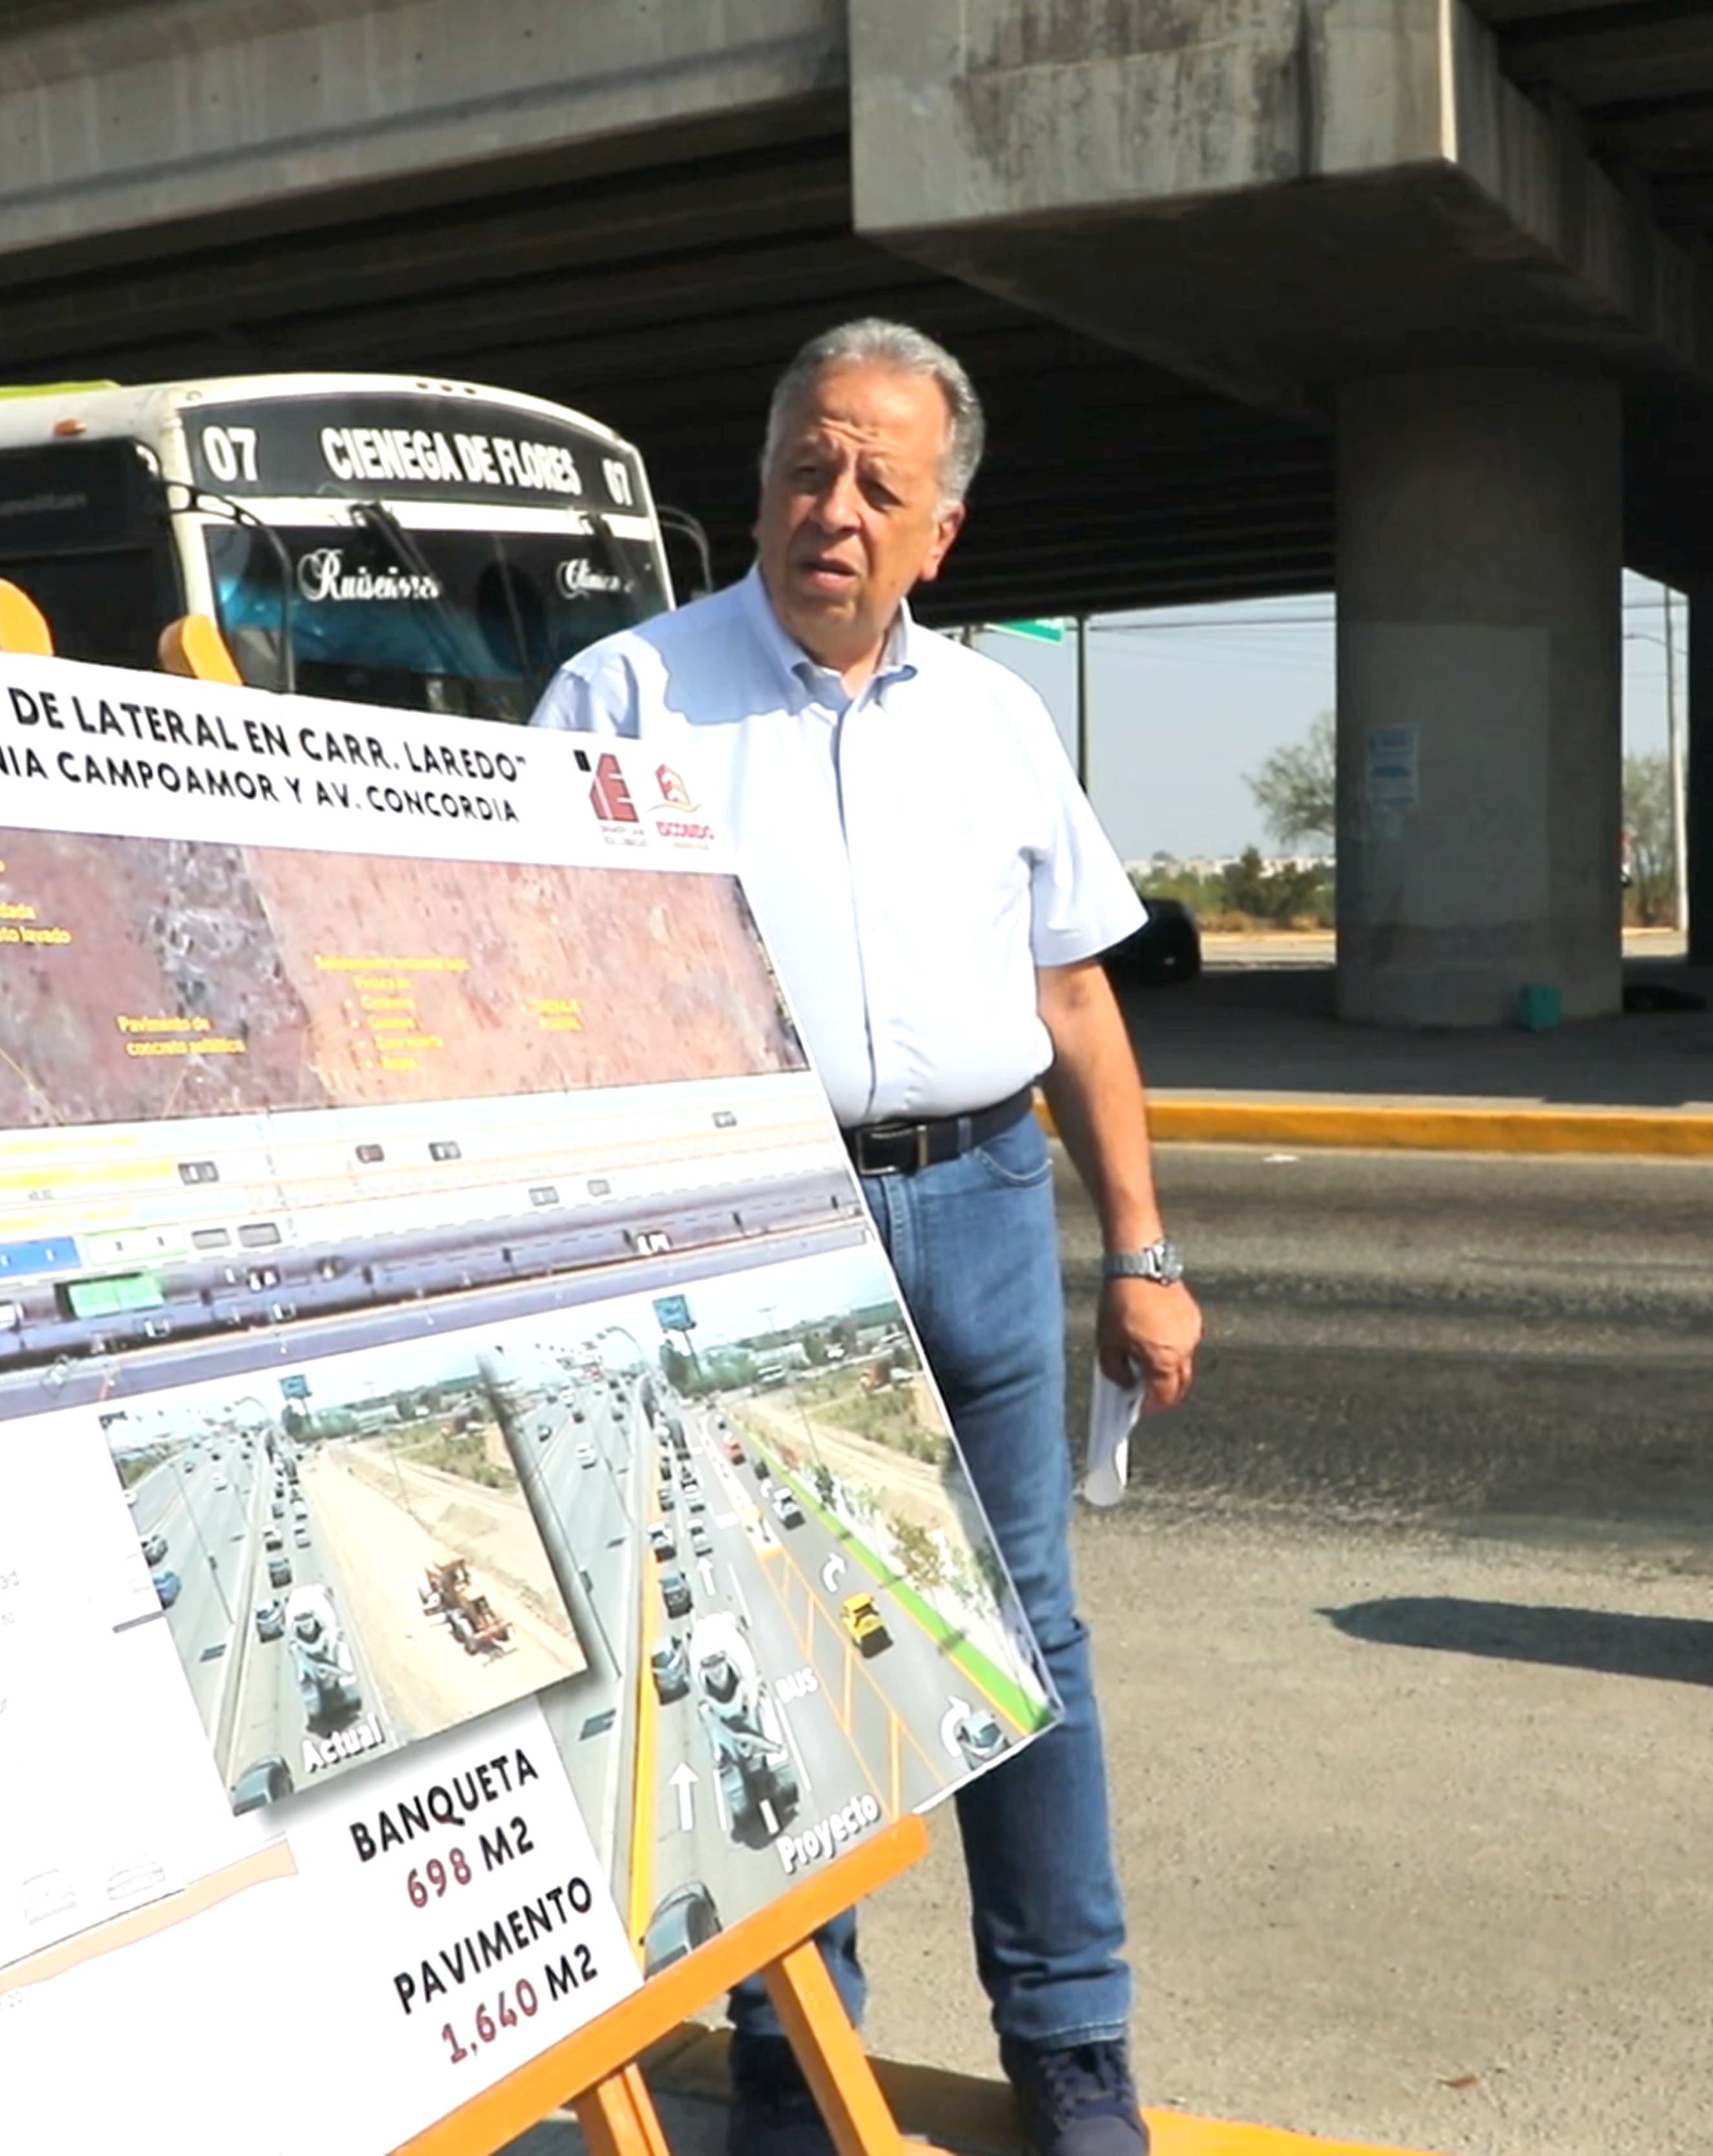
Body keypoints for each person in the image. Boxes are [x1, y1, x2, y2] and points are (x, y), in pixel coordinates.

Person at [532, 317, 1202, 2156]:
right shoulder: (629, 699)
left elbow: (1073, 999)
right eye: (808, 469)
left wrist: (1139, 1247)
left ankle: (1074, 2048)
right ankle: (791, 2037)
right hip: (757, 1224)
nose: (835, 508)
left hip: (984, 1202)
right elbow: (544, 999)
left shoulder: (995, 716)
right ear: (759, 487)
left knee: (1024, 1641)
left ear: (941, 531)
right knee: (783, 1650)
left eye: (878, 484)